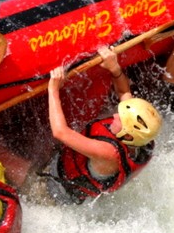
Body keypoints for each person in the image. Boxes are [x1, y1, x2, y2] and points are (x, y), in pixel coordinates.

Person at [38, 45, 163, 204]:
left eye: (120, 119)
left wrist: (53, 89)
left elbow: (60, 132)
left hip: (58, 188)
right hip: (68, 160)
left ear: (127, 135)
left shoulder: (109, 153)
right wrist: (115, 68)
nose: (115, 115)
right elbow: (124, 93)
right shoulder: (140, 137)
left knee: (13, 163)